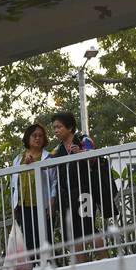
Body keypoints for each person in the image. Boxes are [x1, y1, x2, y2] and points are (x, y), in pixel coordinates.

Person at [47, 111, 102, 260]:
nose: (56, 131)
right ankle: (82, 268)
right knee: (73, 233)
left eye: (59, 127)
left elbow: (95, 158)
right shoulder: (58, 149)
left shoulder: (83, 139)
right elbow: (47, 163)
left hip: (84, 192)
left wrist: (82, 153)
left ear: (70, 127)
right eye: (54, 128)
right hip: (66, 196)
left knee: (89, 229)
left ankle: (105, 260)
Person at [11, 123, 51, 258]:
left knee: (45, 238)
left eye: (41, 136)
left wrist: (52, 203)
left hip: (42, 204)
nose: (38, 138)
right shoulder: (18, 159)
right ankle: (34, 268)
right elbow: (14, 183)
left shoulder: (48, 157)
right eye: (34, 135)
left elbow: (53, 182)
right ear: (28, 138)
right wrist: (14, 205)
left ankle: (49, 266)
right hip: (24, 205)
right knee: (29, 240)